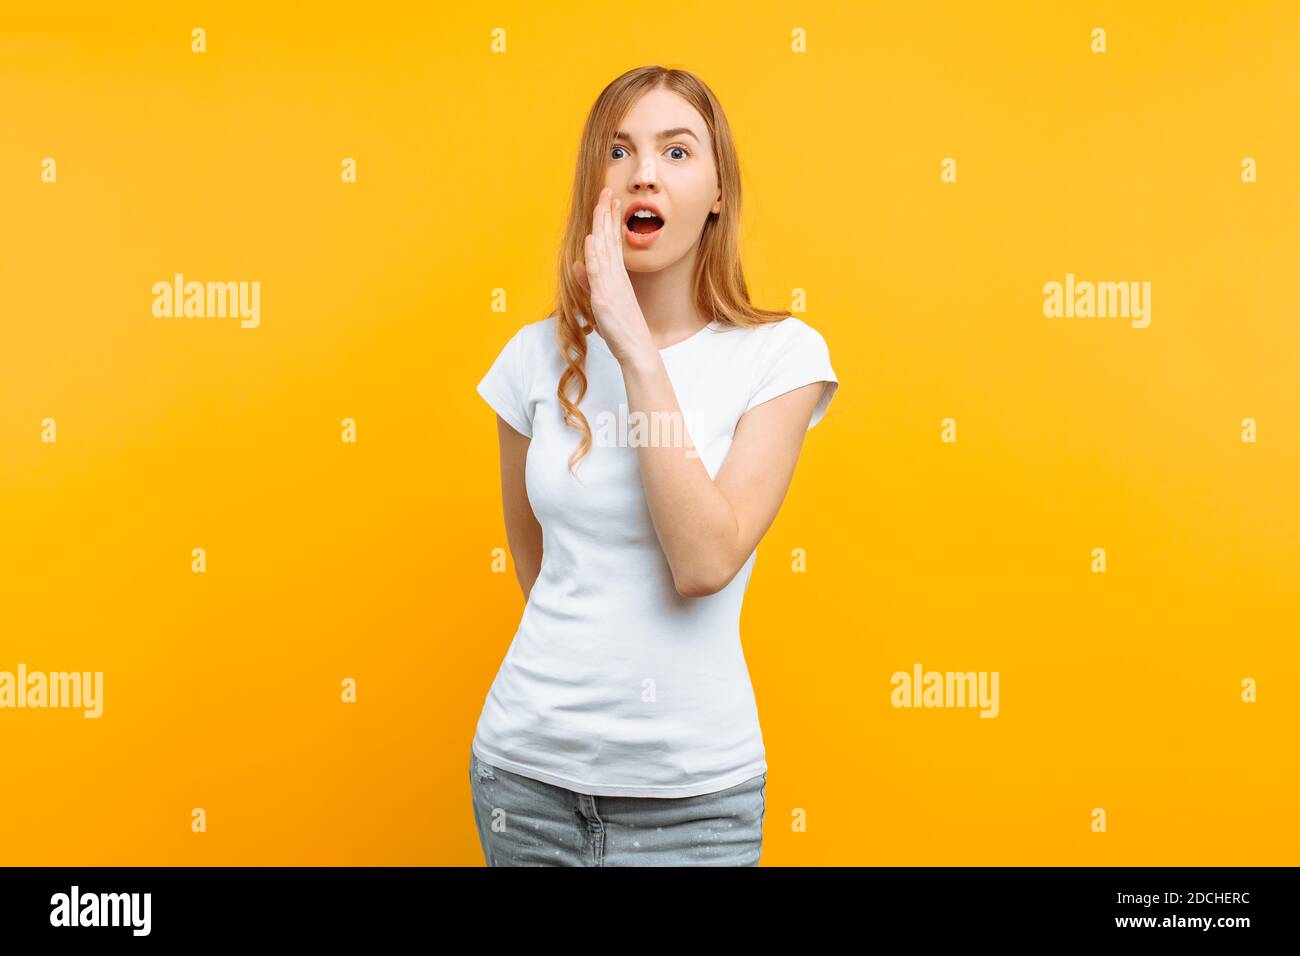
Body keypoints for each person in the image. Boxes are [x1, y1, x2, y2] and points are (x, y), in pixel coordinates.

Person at [470, 65, 839, 866]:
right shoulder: (532, 359)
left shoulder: (780, 357)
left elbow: (704, 561)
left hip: (695, 805)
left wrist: (634, 347)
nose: (643, 171)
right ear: (593, 186)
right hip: (523, 783)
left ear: (716, 191)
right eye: (619, 151)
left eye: (677, 152)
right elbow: (538, 569)